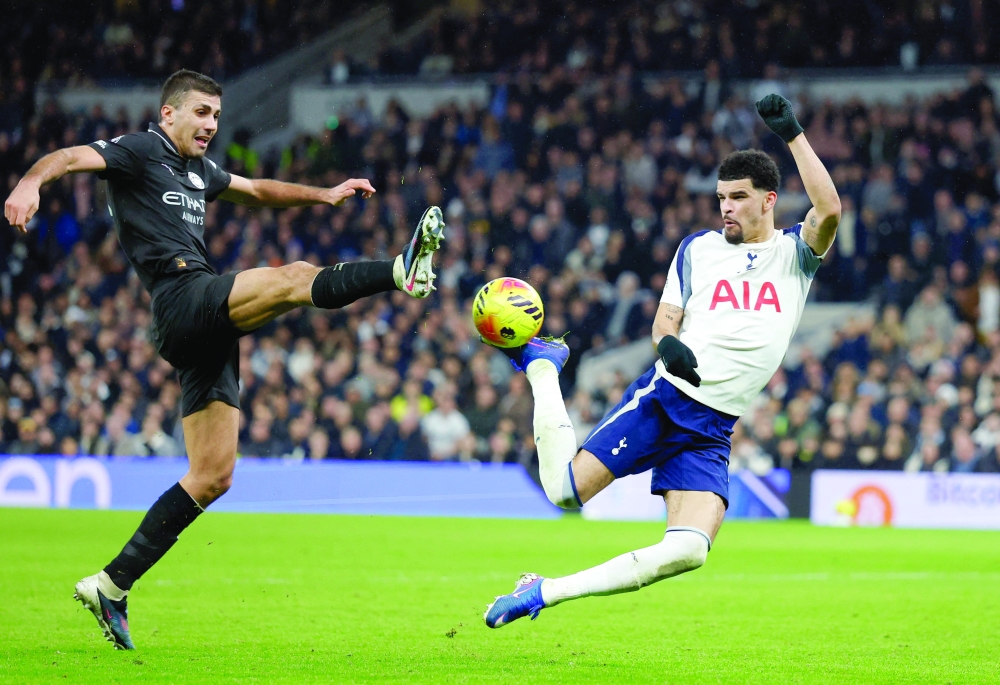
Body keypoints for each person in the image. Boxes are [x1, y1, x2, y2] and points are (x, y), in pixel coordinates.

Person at [3, 70, 445, 650]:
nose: (212, 124)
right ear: (169, 114)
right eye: (202, 113)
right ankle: (398, 270)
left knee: (213, 475)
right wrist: (30, 183)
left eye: (216, 115)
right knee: (293, 280)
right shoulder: (140, 152)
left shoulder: (198, 171)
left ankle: (111, 585)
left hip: (203, 326)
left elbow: (257, 190)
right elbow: (64, 157)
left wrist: (325, 192)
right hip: (181, 299)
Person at [481, 94, 841, 628]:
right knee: (563, 492)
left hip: (713, 425)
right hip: (667, 400)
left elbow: (829, 209)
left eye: (738, 198)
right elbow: (665, 318)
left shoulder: (795, 255)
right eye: (720, 197)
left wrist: (793, 135)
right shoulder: (698, 249)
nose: (726, 208)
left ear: (769, 200)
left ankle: (544, 592)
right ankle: (542, 367)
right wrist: (666, 345)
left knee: (689, 550)